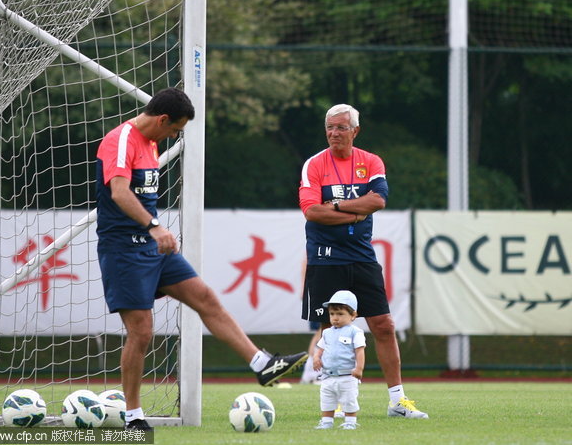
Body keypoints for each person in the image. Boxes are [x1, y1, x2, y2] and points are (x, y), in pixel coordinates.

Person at [95, 87, 308, 431]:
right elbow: (119, 192)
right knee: (142, 332)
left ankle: (261, 363)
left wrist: (154, 232)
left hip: (154, 248)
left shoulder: (151, 142)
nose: (174, 136)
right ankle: (133, 417)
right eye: (175, 129)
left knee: (205, 298)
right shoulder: (121, 140)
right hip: (124, 250)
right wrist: (154, 226)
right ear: (163, 119)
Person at [299, 103, 428, 419]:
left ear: (355, 130)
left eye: (341, 127)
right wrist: (356, 212)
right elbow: (312, 211)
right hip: (325, 259)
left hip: (361, 256)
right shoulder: (314, 164)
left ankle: (397, 402)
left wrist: (339, 205)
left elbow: (379, 200)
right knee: (331, 330)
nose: (334, 133)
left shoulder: (370, 162)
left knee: (384, 325)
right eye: (330, 127)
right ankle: (338, 403)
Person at [313, 290, 365, 430]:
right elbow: (320, 348)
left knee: (349, 400)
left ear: (353, 315)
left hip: (347, 375)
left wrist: (359, 368)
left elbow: (359, 351)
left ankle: (350, 422)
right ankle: (326, 421)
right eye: (332, 314)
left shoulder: (355, 332)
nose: (335, 318)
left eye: (340, 314)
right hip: (328, 375)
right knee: (327, 400)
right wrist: (316, 358)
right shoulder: (327, 332)